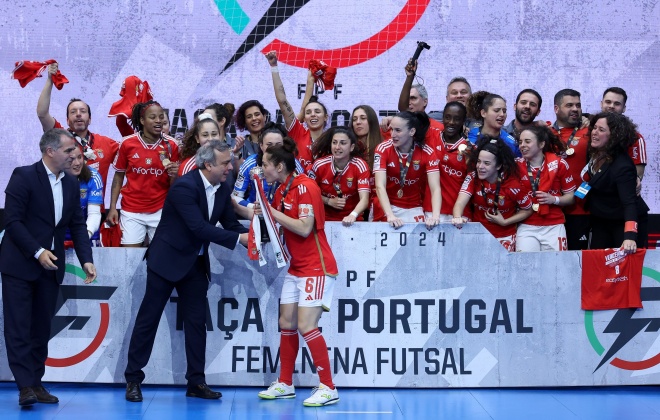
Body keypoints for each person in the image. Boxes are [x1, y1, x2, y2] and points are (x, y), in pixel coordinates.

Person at [124, 140, 249, 402]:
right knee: (149, 320)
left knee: (196, 324)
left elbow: (229, 223)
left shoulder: (223, 187)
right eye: (225, 163)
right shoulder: (184, 186)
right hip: (166, 262)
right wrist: (240, 240)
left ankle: (196, 382)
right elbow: (199, 228)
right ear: (208, 164)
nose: (230, 167)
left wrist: (257, 235)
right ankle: (133, 379)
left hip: (195, 264)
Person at [0, 129, 96, 406]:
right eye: (68, 151)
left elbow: (76, 224)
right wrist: (37, 251)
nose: (74, 157)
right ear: (50, 151)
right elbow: (13, 222)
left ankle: (36, 382)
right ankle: (25, 387)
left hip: (51, 267)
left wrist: (86, 258)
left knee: (41, 329)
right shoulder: (24, 176)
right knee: (18, 327)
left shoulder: (70, 183)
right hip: (19, 264)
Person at [255, 140, 339, 407]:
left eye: (265, 164)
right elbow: (275, 220)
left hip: (317, 267)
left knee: (306, 325)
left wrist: (272, 213)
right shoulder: (281, 189)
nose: (262, 168)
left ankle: (328, 387)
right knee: (287, 323)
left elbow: (304, 228)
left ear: (279, 166)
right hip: (296, 268)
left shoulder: (306, 186)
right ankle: (285, 383)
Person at [36, 62, 119, 198]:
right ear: (67, 120)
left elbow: (132, 153)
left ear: (90, 119)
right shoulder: (59, 136)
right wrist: (50, 80)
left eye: (83, 111)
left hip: (96, 209)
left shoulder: (107, 143)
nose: (78, 114)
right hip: (64, 209)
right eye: (73, 112)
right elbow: (42, 113)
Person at [106, 101, 179, 246]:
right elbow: (118, 176)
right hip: (131, 211)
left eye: (161, 117)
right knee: (131, 259)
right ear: (142, 120)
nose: (158, 121)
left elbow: (174, 186)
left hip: (161, 210)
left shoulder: (172, 145)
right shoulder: (127, 143)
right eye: (153, 117)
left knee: (160, 257)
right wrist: (113, 207)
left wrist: (175, 175)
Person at [452, 138, 532, 251]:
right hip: (477, 235)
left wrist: (505, 222)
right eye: (479, 161)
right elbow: (460, 202)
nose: (480, 167)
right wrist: (457, 217)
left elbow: (527, 210)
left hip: (504, 236)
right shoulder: (473, 177)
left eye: (487, 163)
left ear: (499, 166)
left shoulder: (512, 184)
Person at [584, 112, 649, 251]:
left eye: (601, 130)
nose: (594, 133)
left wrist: (630, 236)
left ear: (614, 136)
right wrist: (570, 198)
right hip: (601, 219)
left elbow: (629, 203)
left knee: (623, 268)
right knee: (598, 264)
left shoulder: (622, 165)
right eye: (594, 128)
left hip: (622, 222)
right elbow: (591, 183)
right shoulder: (593, 153)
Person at [374, 111, 441, 229]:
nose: (393, 134)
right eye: (391, 130)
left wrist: (435, 216)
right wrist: (390, 215)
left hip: (413, 207)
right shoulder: (382, 148)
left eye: (398, 130)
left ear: (412, 131)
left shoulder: (427, 152)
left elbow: (435, 188)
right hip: (386, 206)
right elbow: (379, 186)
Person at [515, 125, 576, 252]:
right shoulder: (515, 166)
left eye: (527, 141)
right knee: (525, 268)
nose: (522, 145)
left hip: (554, 225)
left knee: (555, 268)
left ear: (541, 144)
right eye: (520, 142)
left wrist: (553, 199)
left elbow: (571, 197)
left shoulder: (559, 164)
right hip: (527, 225)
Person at [266, 50, 326, 169]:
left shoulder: (332, 140)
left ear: (326, 117)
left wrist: (311, 81)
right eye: (308, 113)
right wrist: (274, 67)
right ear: (304, 117)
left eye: (317, 112)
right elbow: (282, 101)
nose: (313, 115)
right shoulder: (297, 132)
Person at [232, 123, 304, 218]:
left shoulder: (293, 164)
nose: (274, 149)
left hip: (284, 216)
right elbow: (235, 197)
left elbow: (303, 196)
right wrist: (255, 207)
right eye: (269, 145)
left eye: (278, 145)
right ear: (261, 146)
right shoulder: (250, 164)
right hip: (255, 214)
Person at [549, 89, 590, 250]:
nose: (575, 109)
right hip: (550, 211)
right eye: (569, 105)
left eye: (578, 105)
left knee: (578, 260)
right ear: (556, 109)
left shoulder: (590, 132)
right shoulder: (545, 134)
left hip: (581, 210)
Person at [309, 127, 370, 226]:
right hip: (324, 219)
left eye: (343, 143)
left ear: (351, 147)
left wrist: (353, 215)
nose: (337, 147)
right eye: (334, 142)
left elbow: (364, 199)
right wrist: (328, 201)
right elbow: (308, 194)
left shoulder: (360, 166)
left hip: (353, 219)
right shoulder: (319, 165)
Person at [428, 102, 472, 222]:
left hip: (458, 215)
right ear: (443, 118)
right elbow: (407, 113)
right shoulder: (431, 136)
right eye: (448, 117)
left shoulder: (469, 150)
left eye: (457, 119)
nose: (451, 122)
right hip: (430, 211)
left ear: (464, 121)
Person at [599, 87, 647, 191]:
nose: (611, 106)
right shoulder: (589, 130)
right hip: (591, 195)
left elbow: (638, 174)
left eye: (617, 104)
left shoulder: (635, 138)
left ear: (624, 108)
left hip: (617, 196)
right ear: (601, 104)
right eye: (608, 102)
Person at [350, 105, 385, 221]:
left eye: (363, 118)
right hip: (354, 207)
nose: (358, 122)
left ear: (372, 121)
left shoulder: (383, 146)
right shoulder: (348, 149)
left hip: (379, 205)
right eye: (354, 119)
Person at [64, 147, 103, 244]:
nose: (77, 163)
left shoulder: (93, 177)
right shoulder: (52, 177)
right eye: (71, 159)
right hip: (59, 233)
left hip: (86, 232)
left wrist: (85, 237)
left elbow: (94, 214)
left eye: (79, 157)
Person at [466, 91, 520, 157]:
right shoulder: (468, 135)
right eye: (496, 110)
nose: (502, 114)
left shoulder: (512, 143)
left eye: (504, 111)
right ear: (483, 113)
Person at [234, 99, 267, 169]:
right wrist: (236, 153)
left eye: (257, 114)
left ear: (264, 116)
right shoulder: (241, 144)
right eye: (249, 117)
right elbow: (240, 175)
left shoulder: (274, 140)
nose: (254, 118)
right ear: (244, 122)